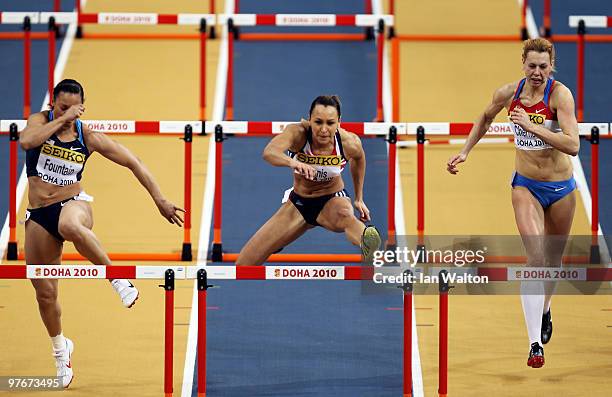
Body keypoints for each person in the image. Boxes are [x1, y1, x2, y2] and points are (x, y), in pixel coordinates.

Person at [20, 79, 185, 387]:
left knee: (71, 226)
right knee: (45, 294)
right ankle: (61, 350)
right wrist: (60, 119)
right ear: (52, 104)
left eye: (74, 107)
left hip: (73, 204)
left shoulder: (88, 136)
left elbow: (133, 161)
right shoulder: (39, 121)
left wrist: (160, 199)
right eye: (62, 106)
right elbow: (27, 142)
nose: (69, 112)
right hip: (39, 215)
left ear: (83, 107)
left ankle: (116, 277)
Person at [446, 38, 579, 368]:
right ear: (523, 64)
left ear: (552, 67)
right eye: (531, 66)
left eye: (543, 67)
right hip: (526, 186)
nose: (537, 73)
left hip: (561, 188)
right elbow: (485, 117)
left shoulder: (560, 95)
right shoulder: (509, 93)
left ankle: (545, 308)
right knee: (535, 257)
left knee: (553, 260)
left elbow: (573, 144)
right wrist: (465, 151)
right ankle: (535, 343)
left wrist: (531, 125)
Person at [235, 95, 381, 267]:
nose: (324, 129)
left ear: (339, 122)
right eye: (318, 122)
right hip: (298, 203)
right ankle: (280, 240)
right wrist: (293, 162)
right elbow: (269, 152)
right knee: (244, 266)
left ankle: (369, 243)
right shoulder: (297, 134)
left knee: (345, 216)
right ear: (309, 120)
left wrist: (359, 198)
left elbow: (359, 159)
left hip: (331, 200)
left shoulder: (349, 142)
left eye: (330, 123)